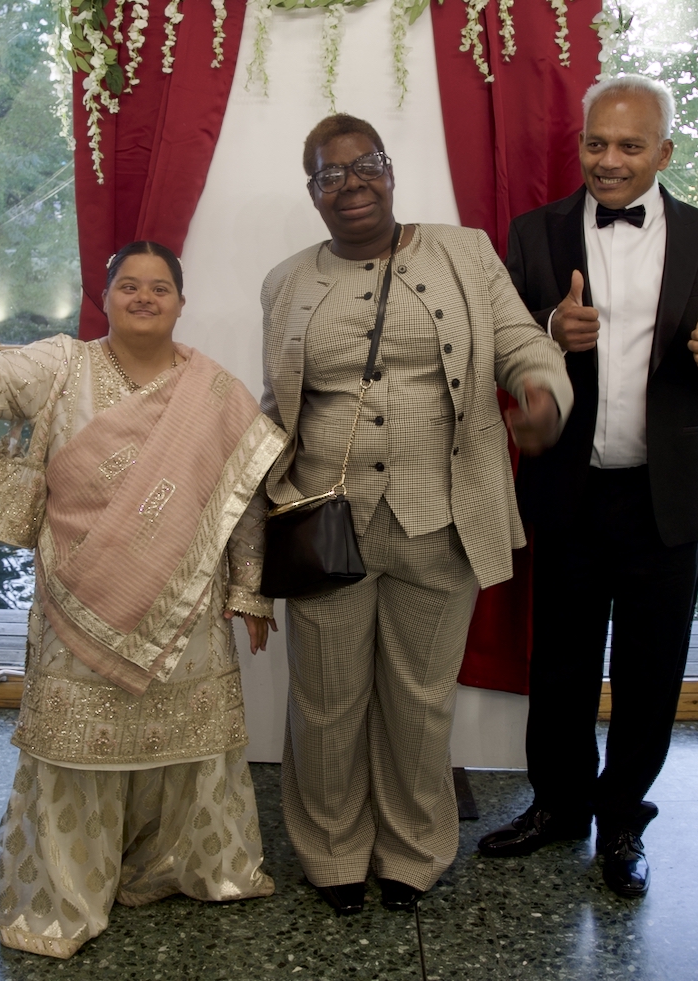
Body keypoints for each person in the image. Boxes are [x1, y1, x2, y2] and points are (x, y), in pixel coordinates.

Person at [0, 240, 287, 959]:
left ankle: (181, 862)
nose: (144, 297)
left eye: (160, 287)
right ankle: (65, 894)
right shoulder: (62, 366)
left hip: (186, 603)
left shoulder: (214, 390)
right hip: (79, 598)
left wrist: (249, 588)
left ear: (181, 301)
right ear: (105, 298)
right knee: (74, 754)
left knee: (189, 747)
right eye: (129, 285)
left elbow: (247, 496)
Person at [260, 114, 574, 916]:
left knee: (421, 697)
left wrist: (543, 395)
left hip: (442, 518)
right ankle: (332, 848)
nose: (351, 184)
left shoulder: (466, 254)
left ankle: (412, 848)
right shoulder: (286, 282)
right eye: (330, 174)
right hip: (326, 525)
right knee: (325, 700)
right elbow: (278, 405)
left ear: (390, 169)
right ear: (313, 193)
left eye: (365, 165)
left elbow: (524, 345)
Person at [477, 75, 698, 898]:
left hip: (664, 495)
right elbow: (499, 337)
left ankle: (623, 820)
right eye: (597, 143)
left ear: (663, 152)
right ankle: (559, 804)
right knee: (561, 662)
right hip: (568, 484)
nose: (609, 160)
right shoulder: (534, 233)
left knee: (650, 669)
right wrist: (547, 329)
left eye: (630, 146)